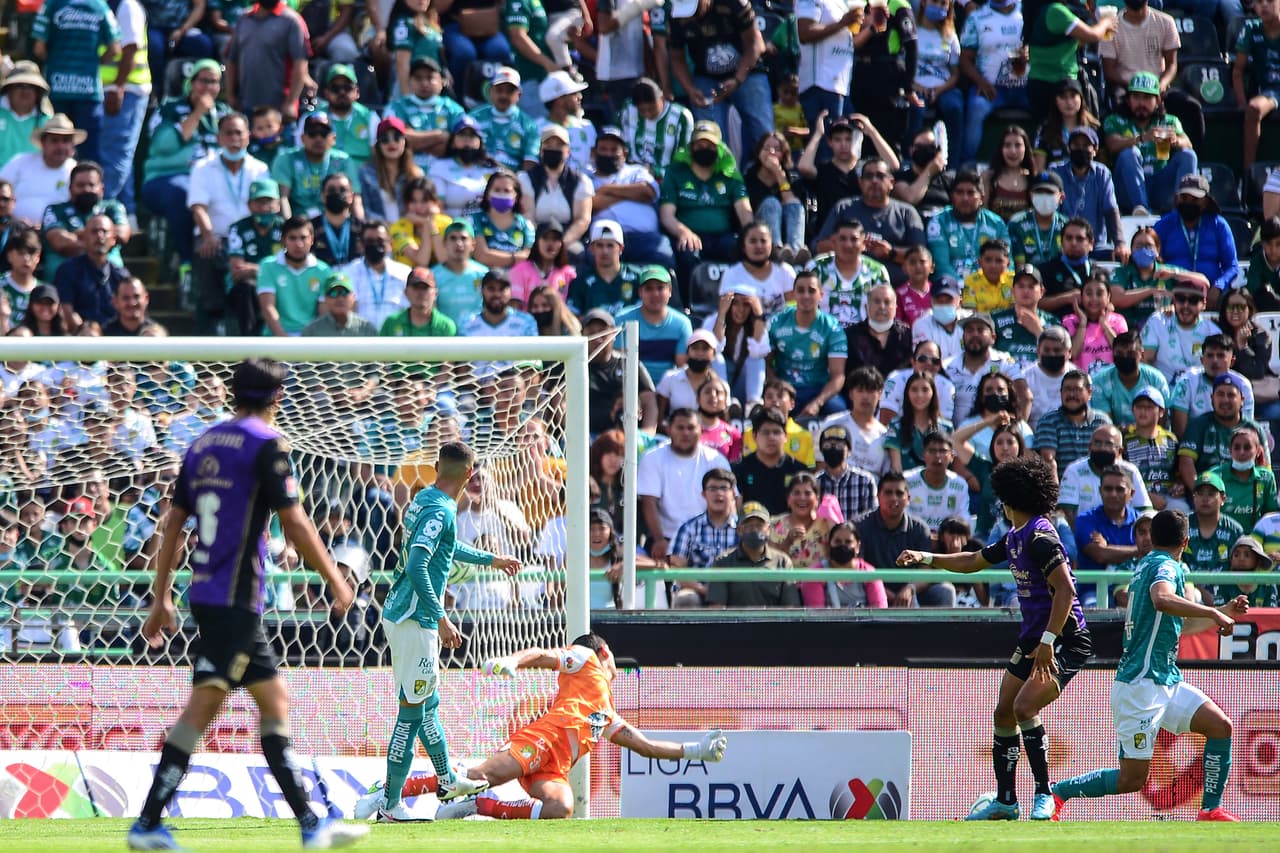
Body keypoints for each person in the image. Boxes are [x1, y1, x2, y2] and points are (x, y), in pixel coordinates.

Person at [127, 359, 369, 850]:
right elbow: (295, 522)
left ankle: (156, 823)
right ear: (278, 397)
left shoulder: (202, 444)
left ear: (232, 394)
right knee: (220, 708)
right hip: (236, 599)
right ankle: (152, 824)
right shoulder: (267, 444)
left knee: (251, 702)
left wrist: (161, 596)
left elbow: (173, 524)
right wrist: (338, 584)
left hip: (206, 595)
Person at [897, 453, 1090, 819]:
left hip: (1064, 638)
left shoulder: (1041, 537)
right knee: (1003, 713)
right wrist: (925, 556)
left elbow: (1065, 591)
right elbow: (971, 561)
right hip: (1036, 637)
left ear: (1010, 498)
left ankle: (1045, 794)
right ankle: (1005, 800)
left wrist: (1049, 642)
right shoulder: (1016, 536)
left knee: (1023, 707)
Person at [357, 440, 519, 821]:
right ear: (469, 473)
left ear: (434, 466)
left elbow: (446, 546)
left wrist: (490, 559)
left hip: (404, 614)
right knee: (411, 713)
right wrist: (442, 616)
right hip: (417, 619)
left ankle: (446, 780)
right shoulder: (442, 510)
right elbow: (417, 564)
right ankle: (391, 804)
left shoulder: (425, 499)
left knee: (426, 706)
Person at [1051, 510, 1246, 822]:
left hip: (1163, 681)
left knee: (1219, 727)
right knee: (1132, 780)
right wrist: (1214, 614)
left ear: (1153, 538)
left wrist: (1221, 610)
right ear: (1186, 541)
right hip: (1141, 687)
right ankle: (1057, 791)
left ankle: (1210, 809)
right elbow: (1162, 599)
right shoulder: (1165, 566)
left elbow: (1177, 620)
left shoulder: (1147, 565)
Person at [188, 113, 270, 335]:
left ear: (248, 137)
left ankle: (252, 333)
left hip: (250, 238)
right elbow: (198, 207)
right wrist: (208, 235)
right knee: (207, 252)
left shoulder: (260, 169)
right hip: (217, 237)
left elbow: (267, 206)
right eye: (229, 133)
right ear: (219, 137)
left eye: (239, 133)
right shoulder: (203, 167)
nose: (234, 138)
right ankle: (212, 322)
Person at [660, 0, 769, 157]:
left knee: (762, 131)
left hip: (748, 70)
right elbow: (676, 57)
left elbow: (754, 43)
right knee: (709, 135)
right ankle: (718, 177)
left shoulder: (736, 4)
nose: (692, 16)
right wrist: (690, 89)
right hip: (706, 76)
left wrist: (738, 79)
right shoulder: (675, 15)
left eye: (694, 9)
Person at [660, 120, 753, 294]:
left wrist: (750, 237)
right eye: (699, 144)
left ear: (719, 148)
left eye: (709, 145)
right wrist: (684, 232)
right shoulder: (675, 172)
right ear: (691, 147)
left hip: (723, 236)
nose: (704, 148)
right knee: (687, 254)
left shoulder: (730, 174)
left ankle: (739, 300)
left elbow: (744, 212)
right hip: (688, 236)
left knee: (741, 248)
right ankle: (689, 304)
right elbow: (666, 215)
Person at [32, 0, 121, 167]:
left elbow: (39, 48)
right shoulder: (99, 6)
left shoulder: (51, 4)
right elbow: (115, 48)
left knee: (53, 151)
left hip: (57, 89)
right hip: (89, 91)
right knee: (90, 157)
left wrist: (56, 63)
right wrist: (93, 64)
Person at [637, 407, 731, 563]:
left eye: (691, 428)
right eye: (680, 428)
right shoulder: (653, 458)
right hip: (666, 538)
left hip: (708, 538)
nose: (686, 433)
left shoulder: (716, 459)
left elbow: (731, 500)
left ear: (700, 430)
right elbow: (649, 502)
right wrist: (659, 539)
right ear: (669, 429)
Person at [814, 157, 924, 286]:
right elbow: (820, 247)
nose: (874, 181)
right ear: (860, 183)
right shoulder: (844, 208)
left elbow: (922, 256)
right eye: (868, 176)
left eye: (880, 176)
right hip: (851, 287)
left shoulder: (907, 212)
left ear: (891, 182)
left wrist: (891, 253)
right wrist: (853, 245)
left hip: (899, 289)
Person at [1104, 72, 1197, 217]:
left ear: (1158, 100)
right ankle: (1142, 208)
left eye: (1147, 98)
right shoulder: (1115, 120)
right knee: (1130, 153)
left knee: (1188, 155)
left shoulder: (1169, 121)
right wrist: (1141, 138)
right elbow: (1112, 144)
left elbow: (1188, 145)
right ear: (1128, 100)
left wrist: (1176, 141)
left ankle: (1182, 208)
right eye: (1136, 97)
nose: (1141, 103)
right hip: (1127, 190)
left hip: (1160, 184)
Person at [587, 126, 672, 268]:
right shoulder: (587, 178)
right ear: (594, 153)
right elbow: (591, 203)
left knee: (664, 257)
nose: (608, 154)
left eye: (614, 150)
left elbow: (647, 193)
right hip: (605, 240)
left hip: (645, 237)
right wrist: (631, 193)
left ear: (624, 154)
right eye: (603, 149)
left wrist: (607, 189)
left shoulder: (636, 171)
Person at [767, 269, 848, 417]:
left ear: (821, 295)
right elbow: (765, 365)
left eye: (811, 291)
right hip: (783, 387)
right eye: (801, 290)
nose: (805, 296)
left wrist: (817, 403)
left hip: (818, 389)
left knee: (838, 411)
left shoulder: (832, 328)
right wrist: (779, 392)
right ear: (793, 294)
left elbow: (838, 376)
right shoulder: (777, 321)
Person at [1023, 0, 1116, 123]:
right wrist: (1105, 23)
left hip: (1039, 86)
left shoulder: (1038, 9)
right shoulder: (1056, 11)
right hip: (1059, 86)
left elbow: (1063, 44)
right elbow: (1093, 35)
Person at [957, 0, 1027, 165]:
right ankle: (966, 163)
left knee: (1046, 104)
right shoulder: (977, 18)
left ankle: (1043, 160)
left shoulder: (1027, 12)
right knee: (977, 107)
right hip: (991, 88)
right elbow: (965, 59)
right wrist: (981, 82)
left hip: (1025, 87)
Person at [1153, 175, 1239, 306]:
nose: (1189, 203)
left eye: (1195, 199)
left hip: (1211, 295)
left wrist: (1218, 287)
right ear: (1177, 199)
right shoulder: (1164, 225)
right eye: (1185, 198)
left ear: (1205, 202)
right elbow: (1153, 262)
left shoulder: (1218, 225)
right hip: (1173, 294)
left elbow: (1232, 266)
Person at [223, 0, 309, 120]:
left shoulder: (292, 20)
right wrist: (230, 95)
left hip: (279, 109)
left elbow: (300, 64)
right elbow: (231, 59)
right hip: (246, 105)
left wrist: (290, 102)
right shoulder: (244, 19)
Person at [518, 125, 594, 258]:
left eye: (559, 145)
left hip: (567, 238)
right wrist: (540, 243)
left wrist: (561, 244)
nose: (553, 149)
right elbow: (528, 215)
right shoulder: (526, 178)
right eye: (548, 145)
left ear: (568, 151)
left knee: (579, 254)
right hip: (535, 236)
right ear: (541, 150)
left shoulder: (581, 181)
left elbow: (582, 220)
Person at [273, 113, 365, 222]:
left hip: (335, 222)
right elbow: (283, 198)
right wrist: (290, 227)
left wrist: (360, 226)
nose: (318, 138)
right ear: (302, 138)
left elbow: (354, 199)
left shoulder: (343, 161)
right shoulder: (286, 158)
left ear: (333, 139)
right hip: (299, 222)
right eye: (312, 133)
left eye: (324, 133)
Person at [1050, 128, 1126, 259]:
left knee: (1120, 256)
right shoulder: (1056, 171)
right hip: (1063, 244)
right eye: (1076, 145)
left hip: (1095, 245)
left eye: (1086, 145)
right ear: (1069, 148)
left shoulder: (1102, 173)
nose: (1080, 149)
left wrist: (1120, 243)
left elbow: (1111, 211)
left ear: (1095, 150)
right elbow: (1052, 210)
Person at [857, 472, 931, 606]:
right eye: (888, 493)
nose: (894, 498)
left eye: (899, 493)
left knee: (944, 591)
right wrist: (879, 590)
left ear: (908, 498)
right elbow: (857, 567)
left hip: (911, 594)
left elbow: (926, 570)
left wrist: (910, 589)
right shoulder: (860, 526)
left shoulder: (920, 529)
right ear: (878, 497)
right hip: (870, 591)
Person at [1059, 424, 1153, 526]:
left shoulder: (1130, 471)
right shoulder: (1074, 471)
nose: (1102, 448)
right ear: (1089, 447)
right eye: (1097, 443)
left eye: (1109, 444)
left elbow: (1144, 512)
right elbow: (1067, 513)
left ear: (1120, 451)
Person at [926, 172, 1011, 283]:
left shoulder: (996, 223)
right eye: (959, 192)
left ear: (982, 197)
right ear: (952, 196)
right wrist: (964, 287)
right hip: (951, 289)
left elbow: (1008, 263)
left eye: (971, 193)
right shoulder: (938, 222)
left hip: (990, 289)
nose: (965, 198)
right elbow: (942, 266)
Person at [615, 266, 694, 382]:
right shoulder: (622, 319)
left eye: (660, 288)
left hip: (667, 389)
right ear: (640, 292)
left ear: (670, 291)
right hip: (631, 387)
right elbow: (617, 362)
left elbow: (682, 367)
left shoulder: (682, 324)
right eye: (649, 289)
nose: (655, 294)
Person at [257, 216, 332, 337]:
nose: (299, 244)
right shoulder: (268, 266)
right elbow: (268, 308)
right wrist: (286, 344)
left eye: (303, 238)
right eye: (292, 238)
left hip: (310, 341)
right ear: (283, 240)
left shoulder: (324, 271)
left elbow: (323, 315)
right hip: (276, 339)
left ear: (312, 239)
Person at [53, 214, 131, 331]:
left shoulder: (121, 275)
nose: (100, 236)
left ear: (113, 240)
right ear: (84, 237)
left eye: (104, 231)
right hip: (80, 338)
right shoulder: (67, 270)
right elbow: (65, 309)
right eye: (94, 232)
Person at [0, 115, 80, 227]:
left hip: (58, 236)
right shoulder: (20, 162)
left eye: (65, 141)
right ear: (43, 142)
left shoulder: (77, 171)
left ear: (72, 145)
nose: (60, 146)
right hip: (13, 231)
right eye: (55, 141)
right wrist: (14, 220)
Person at [809, 218, 889, 329]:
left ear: (863, 243)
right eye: (842, 239)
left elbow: (886, 313)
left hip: (863, 341)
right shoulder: (816, 268)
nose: (848, 245)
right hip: (822, 337)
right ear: (833, 241)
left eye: (854, 239)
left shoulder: (877, 272)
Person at [1140, 277, 1221, 383]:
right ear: (1174, 301)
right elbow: (1145, 361)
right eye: (1181, 299)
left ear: (1203, 304)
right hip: (1161, 389)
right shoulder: (1158, 322)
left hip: (1198, 391)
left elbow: (1216, 370)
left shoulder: (1212, 332)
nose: (1186, 305)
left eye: (1193, 301)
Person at [617, 78, 694, 183]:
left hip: (667, 177)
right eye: (642, 111)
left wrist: (656, 172)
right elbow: (619, 141)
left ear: (662, 98)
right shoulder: (628, 108)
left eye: (652, 108)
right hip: (631, 175)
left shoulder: (681, 116)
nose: (648, 114)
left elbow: (685, 157)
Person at [743, 132, 807, 262]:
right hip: (760, 228)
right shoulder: (749, 177)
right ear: (759, 152)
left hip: (786, 229)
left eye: (777, 149)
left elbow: (791, 202)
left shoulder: (791, 177)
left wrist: (779, 175)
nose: (771, 152)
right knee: (771, 203)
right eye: (766, 148)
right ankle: (776, 250)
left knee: (795, 204)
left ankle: (796, 252)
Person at [732, 406, 808, 514]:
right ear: (754, 436)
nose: (771, 437)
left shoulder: (798, 469)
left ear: (785, 436)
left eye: (776, 432)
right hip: (752, 527)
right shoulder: (740, 469)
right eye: (765, 432)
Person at [1235, 0, 1280, 171]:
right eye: (1260, 2)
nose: (1264, 6)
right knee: (1253, 108)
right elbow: (1237, 71)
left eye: (1269, 1)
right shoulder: (1251, 28)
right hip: (1270, 91)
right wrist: (1242, 103)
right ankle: (1248, 176)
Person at [904, 429, 968, 545]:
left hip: (947, 544)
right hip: (912, 540)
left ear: (952, 456)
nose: (937, 456)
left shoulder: (960, 485)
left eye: (943, 451)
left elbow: (962, 519)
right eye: (932, 451)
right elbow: (902, 517)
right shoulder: (907, 481)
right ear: (923, 455)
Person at [1210, 426, 1279, 532]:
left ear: (1258, 451)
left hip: (1254, 540)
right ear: (1230, 451)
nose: (1241, 452)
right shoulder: (1215, 475)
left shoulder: (1266, 478)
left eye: (1247, 447)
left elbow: (1271, 515)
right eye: (1237, 447)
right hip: (1221, 538)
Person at [993, 265, 1057, 371]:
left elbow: (1060, 359)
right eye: (1021, 286)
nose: (1026, 291)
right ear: (1013, 291)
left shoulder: (1053, 322)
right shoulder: (995, 319)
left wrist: (1039, 332)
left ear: (1042, 291)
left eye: (1031, 286)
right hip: (1005, 379)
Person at [885, 371, 952, 472]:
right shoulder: (896, 426)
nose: (919, 395)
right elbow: (896, 468)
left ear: (933, 393)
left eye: (925, 390)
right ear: (907, 393)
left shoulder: (946, 427)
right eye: (914, 390)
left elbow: (951, 465)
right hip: (906, 485)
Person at [846, 283, 912, 380]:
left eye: (887, 302)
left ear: (895, 307)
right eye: (876, 301)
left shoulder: (906, 335)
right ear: (866, 307)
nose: (882, 306)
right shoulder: (850, 335)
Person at [1032, 79, 1100, 173]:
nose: (1069, 102)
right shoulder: (1045, 129)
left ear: (1081, 98)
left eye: (1073, 96)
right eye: (1063, 97)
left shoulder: (1094, 127)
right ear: (1055, 100)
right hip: (1056, 183)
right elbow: (1039, 170)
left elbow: (1100, 164)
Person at [1064, 274, 1127, 371]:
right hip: (1081, 382)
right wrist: (1082, 323)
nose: (1094, 298)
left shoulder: (1118, 320)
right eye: (1089, 294)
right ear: (1081, 297)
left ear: (1108, 296)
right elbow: (1072, 355)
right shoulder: (1070, 321)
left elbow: (1123, 353)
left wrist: (1104, 325)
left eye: (1099, 294)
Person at [1008, 172, 1068, 269]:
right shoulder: (1016, 224)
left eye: (1049, 192)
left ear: (1061, 197)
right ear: (1031, 196)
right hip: (1027, 280)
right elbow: (1019, 266)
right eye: (1039, 192)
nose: (1044, 197)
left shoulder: (1067, 225)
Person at [0, 62, 51, 169]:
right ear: (9, 89)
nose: (25, 91)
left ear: (38, 92)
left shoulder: (47, 123)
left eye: (31, 87)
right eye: (20, 85)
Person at [380, 267, 457, 338]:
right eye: (415, 287)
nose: (420, 293)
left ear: (435, 294)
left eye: (425, 288)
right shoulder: (391, 323)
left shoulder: (445, 327)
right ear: (406, 292)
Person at [302, 272, 380, 337]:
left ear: (353, 297)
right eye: (333, 293)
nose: (340, 298)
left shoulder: (367, 329)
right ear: (325, 298)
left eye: (344, 293)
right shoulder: (312, 331)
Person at [984, 126, 1034, 223]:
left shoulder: (1033, 178)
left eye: (1018, 145)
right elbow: (983, 214)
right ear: (1001, 149)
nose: (1013, 151)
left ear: (1025, 148)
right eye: (1007, 145)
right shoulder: (988, 177)